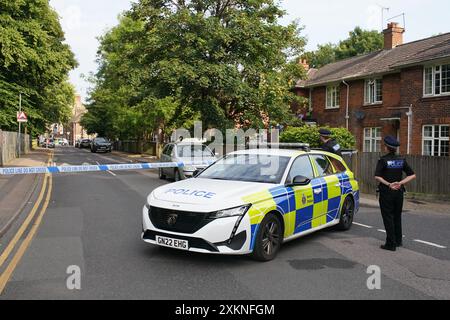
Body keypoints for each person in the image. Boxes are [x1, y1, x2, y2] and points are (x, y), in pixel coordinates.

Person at [374, 136, 416, 251]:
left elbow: (377, 176)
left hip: (387, 192)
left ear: (386, 147)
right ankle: (398, 241)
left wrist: (389, 184)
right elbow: (412, 175)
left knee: (388, 217)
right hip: (399, 192)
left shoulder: (382, 160)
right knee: (397, 216)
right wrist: (400, 183)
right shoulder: (401, 160)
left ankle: (390, 244)